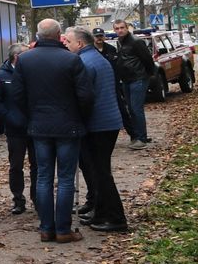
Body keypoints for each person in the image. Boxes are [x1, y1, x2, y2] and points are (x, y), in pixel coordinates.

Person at [11, 18, 95, 244]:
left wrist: (32, 116)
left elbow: (17, 95)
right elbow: (85, 96)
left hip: (39, 126)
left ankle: (46, 228)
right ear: (60, 36)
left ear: (38, 35)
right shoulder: (72, 60)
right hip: (68, 125)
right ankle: (63, 228)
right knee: (66, 178)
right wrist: (80, 117)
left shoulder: (25, 60)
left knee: (44, 177)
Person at [65, 27, 128, 232]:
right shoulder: (97, 58)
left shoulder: (84, 62)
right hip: (107, 122)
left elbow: (85, 97)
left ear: (80, 44)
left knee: (100, 173)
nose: (66, 45)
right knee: (98, 171)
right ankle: (101, 213)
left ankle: (115, 218)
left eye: (69, 42)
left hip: (98, 125)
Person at [0, 43, 36, 215]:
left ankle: (37, 198)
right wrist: (9, 118)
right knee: (16, 166)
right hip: (15, 129)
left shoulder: (32, 73)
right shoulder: (1, 76)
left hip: (34, 126)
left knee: (37, 165)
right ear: (17, 57)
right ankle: (18, 199)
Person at [112, 20, 156, 148]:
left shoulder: (136, 41)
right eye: (117, 28)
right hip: (127, 79)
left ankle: (141, 139)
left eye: (122, 28)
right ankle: (138, 136)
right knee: (131, 109)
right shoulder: (120, 42)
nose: (120, 30)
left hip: (138, 78)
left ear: (127, 28)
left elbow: (147, 59)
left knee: (136, 109)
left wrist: (148, 74)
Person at [93, 27, 138, 141]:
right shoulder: (91, 51)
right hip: (97, 87)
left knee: (122, 110)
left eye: (100, 36)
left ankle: (134, 135)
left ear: (104, 36)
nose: (99, 38)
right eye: (96, 36)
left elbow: (119, 66)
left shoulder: (111, 49)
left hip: (113, 86)